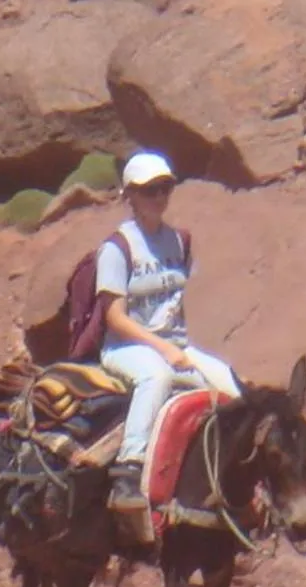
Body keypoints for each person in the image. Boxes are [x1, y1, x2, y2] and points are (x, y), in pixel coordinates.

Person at [95, 151, 242, 513]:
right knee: (156, 378)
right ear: (130, 195)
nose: (160, 197)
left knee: (231, 388)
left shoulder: (178, 241)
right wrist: (162, 348)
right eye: (150, 190)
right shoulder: (117, 248)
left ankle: (231, 479)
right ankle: (129, 469)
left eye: (165, 188)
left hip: (175, 344)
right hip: (128, 346)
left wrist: (176, 346)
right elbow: (114, 318)